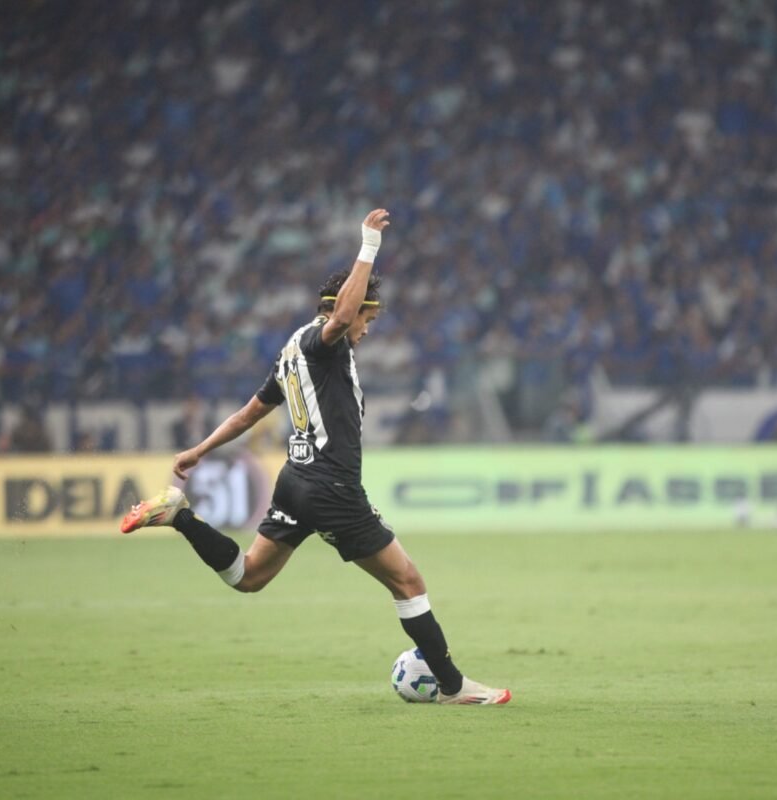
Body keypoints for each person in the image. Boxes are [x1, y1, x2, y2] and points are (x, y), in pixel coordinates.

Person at [121, 209, 510, 705]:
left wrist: (197, 451)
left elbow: (247, 415)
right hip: (331, 486)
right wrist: (369, 245)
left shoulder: (290, 354)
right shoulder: (321, 341)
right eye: (367, 318)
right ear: (343, 308)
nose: (366, 329)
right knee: (407, 580)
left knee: (248, 576)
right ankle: (454, 687)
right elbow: (341, 318)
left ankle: (181, 516)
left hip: (295, 482)